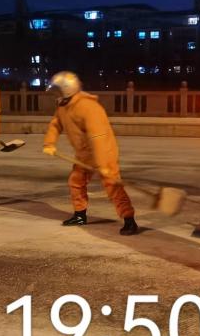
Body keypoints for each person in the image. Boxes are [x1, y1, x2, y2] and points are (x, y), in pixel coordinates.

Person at [42, 71, 138, 235]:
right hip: (84, 153)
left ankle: (129, 220)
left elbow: (98, 137)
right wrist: (49, 143)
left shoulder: (88, 107)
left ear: (68, 90)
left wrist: (103, 165)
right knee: (76, 182)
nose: (56, 95)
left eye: (58, 91)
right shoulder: (63, 106)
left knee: (112, 186)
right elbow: (56, 124)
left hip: (104, 152)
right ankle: (80, 215)